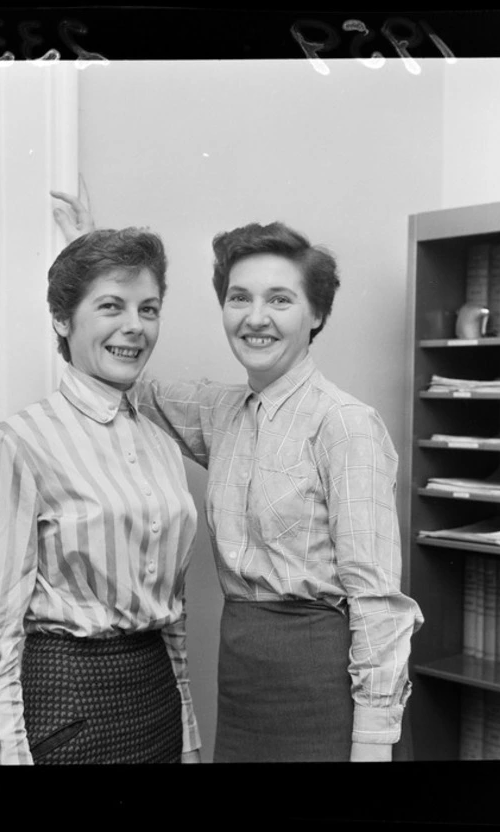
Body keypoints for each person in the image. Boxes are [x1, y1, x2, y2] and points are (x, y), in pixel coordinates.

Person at [52, 188, 424, 763]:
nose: (255, 318)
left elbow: (377, 599)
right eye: (238, 298)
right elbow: (126, 372)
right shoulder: (223, 413)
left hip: (321, 683)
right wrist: (93, 265)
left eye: (279, 300)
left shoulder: (345, 424)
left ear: (317, 313)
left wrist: (372, 743)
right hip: (242, 672)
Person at [0, 227, 201, 765]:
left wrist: (189, 737)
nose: (135, 326)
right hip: (68, 710)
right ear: (63, 319)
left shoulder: (162, 447)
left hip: (156, 706)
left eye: (148, 309)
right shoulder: (19, 443)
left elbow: (173, 623)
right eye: (111, 306)